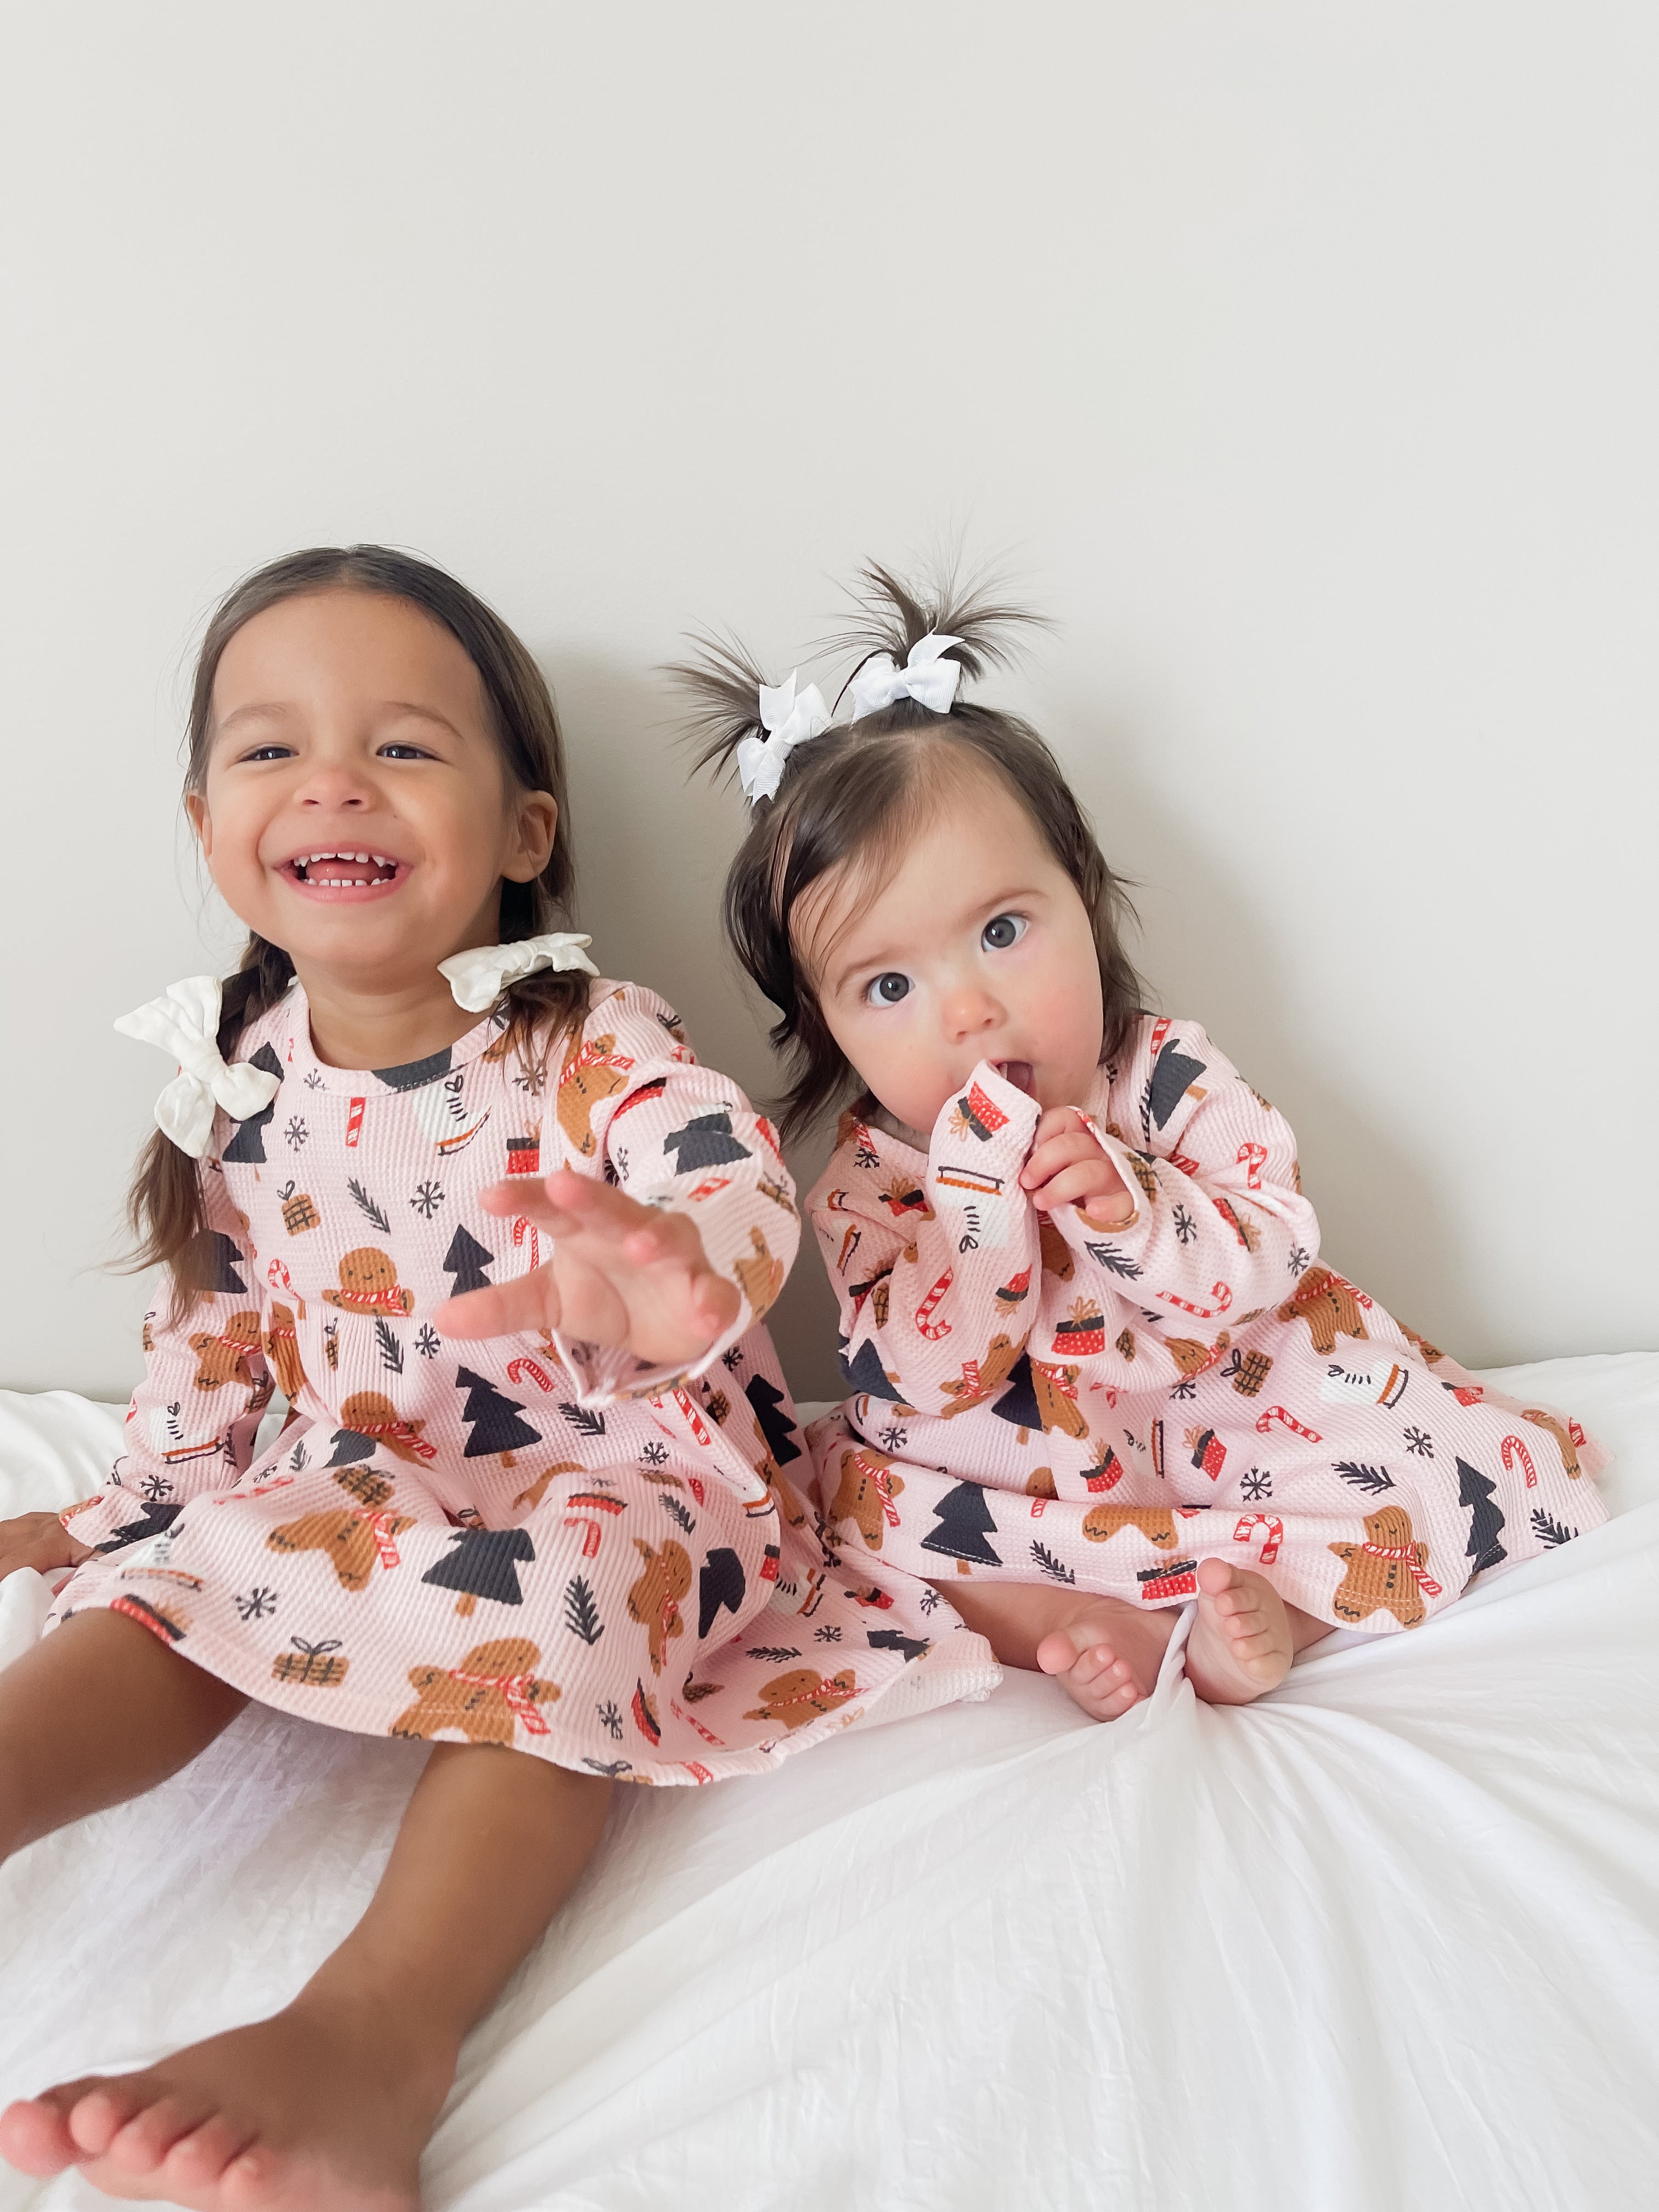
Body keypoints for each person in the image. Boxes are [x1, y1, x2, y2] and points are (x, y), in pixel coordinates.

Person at [0, 548, 964, 2211]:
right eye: (270, 749)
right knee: (194, 1572)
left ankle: (374, 2035)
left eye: (402, 746)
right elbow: (225, 1328)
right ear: (206, 820)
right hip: (368, 1468)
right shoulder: (237, 1078)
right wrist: (123, 1517)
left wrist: (678, 1279)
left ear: (524, 835)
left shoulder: (582, 1040)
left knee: (574, 1580)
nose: (331, 783)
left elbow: (721, 1177)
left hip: (620, 1462)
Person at [682, 561, 1608, 1724]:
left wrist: (1134, 1211)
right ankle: (1076, 1623)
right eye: (889, 985)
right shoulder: (870, 1183)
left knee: (1435, 1465)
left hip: (1230, 1414)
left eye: (1004, 930)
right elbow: (915, 1378)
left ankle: (1281, 1612)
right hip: (1017, 1477)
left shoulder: (1161, 1075)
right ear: (832, 1031)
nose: (967, 1010)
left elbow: (1272, 1241)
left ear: (1086, 902)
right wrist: (977, 1217)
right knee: (862, 1521)